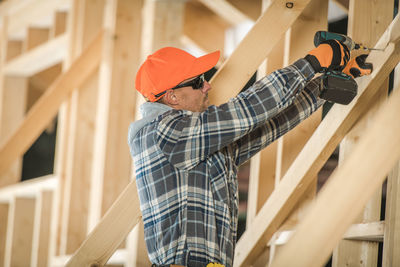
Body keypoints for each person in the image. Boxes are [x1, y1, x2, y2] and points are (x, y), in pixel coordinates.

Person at [128, 39, 372, 267]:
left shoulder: (193, 141)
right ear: (171, 97)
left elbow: (264, 126)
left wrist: (322, 88)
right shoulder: (164, 133)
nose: (207, 85)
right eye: (197, 81)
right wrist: (311, 64)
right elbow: (246, 110)